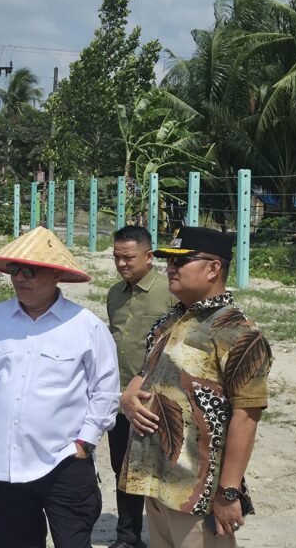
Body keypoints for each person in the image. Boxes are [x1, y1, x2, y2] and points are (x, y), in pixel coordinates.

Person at [0, 226, 120, 548]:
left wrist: (85, 442)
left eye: (30, 271)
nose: (20, 278)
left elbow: (105, 392)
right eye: (14, 270)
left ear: (56, 275)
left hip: (64, 463)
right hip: (3, 467)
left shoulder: (86, 326)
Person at [119, 227, 273, 548]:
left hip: (198, 494)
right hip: (156, 483)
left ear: (213, 268)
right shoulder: (168, 321)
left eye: (181, 261)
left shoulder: (239, 333)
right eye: (168, 261)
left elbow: (246, 417)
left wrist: (228, 492)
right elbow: (146, 373)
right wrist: (129, 396)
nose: (170, 268)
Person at [106, 226, 174, 548]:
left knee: (161, 469)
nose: (122, 263)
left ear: (149, 257)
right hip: (122, 397)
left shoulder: (169, 292)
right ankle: (128, 537)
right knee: (123, 468)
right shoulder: (114, 294)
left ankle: (169, 534)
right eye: (117, 257)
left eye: (128, 258)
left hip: (157, 399)